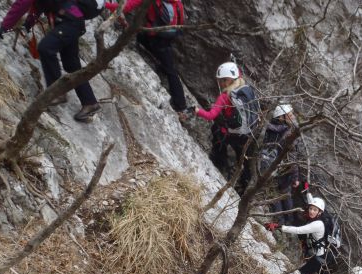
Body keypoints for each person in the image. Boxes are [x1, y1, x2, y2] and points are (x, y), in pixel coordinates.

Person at [0, 0, 101, 122]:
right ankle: (90, 102)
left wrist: (4, 26)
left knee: (46, 48)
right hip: (73, 20)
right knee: (71, 65)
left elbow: (21, 5)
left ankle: (56, 93)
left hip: (68, 21)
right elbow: (39, 6)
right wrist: (28, 24)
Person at [105, 0, 188, 115]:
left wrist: (104, 5)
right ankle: (161, 62)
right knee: (144, 38)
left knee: (171, 71)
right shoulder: (176, 1)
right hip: (168, 36)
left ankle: (181, 105)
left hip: (154, 38)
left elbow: (126, 7)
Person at [194, 62, 259, 193]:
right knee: (245, 162)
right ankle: (246, 188)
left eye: (221, 80)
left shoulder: (224, 97)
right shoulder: (245, 88)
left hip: (233, 134)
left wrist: (196, 110)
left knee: (218, 136)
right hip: (248, 133)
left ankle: (220, 167)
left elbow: (210, 115)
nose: (220, 83)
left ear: (225, 81)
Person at [264, 193, 336, 274]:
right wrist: (305, 190)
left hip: (320, 257)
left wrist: (278, 226)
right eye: (311, 209)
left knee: (302, 273)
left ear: (320, 212)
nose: (311, 211)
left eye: (315, 210)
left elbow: (299, 230)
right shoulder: (318, 217)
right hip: (322, 254)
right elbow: (310, 198)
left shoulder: (318, 224)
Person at [260, 104, 305, 223]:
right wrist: (295, 177)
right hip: (284, 170)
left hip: (267, 167)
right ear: (282, 118)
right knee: (285, 194)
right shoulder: (289, 133)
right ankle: (288, 222)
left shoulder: (267, 127)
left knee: (274, 195)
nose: (293, 117)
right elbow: (292, 157)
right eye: (290, 115)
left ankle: (279, 221)